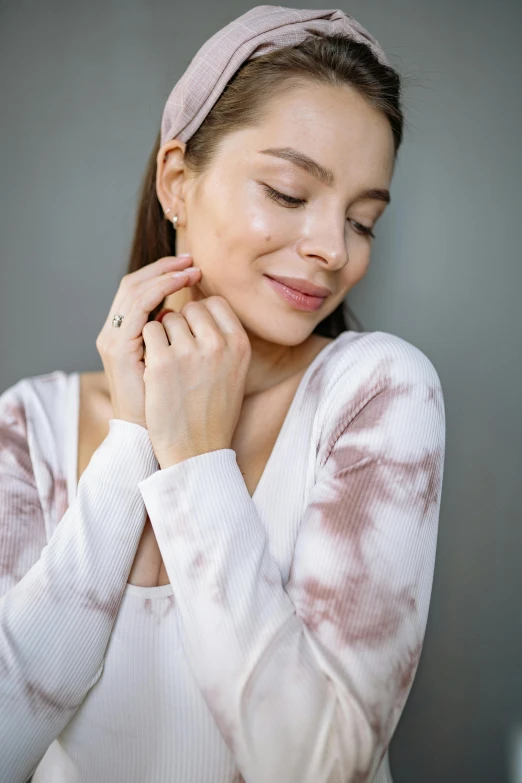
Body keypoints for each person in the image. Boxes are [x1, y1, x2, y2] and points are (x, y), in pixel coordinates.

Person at [0, 6, 446, 782]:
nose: (333, 249)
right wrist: (136, 437)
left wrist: (198, 462)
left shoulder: (377, 396)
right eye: (286, 191)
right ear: (178, 180)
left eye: (363, 220)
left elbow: (319, 767)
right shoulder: (28, 424)